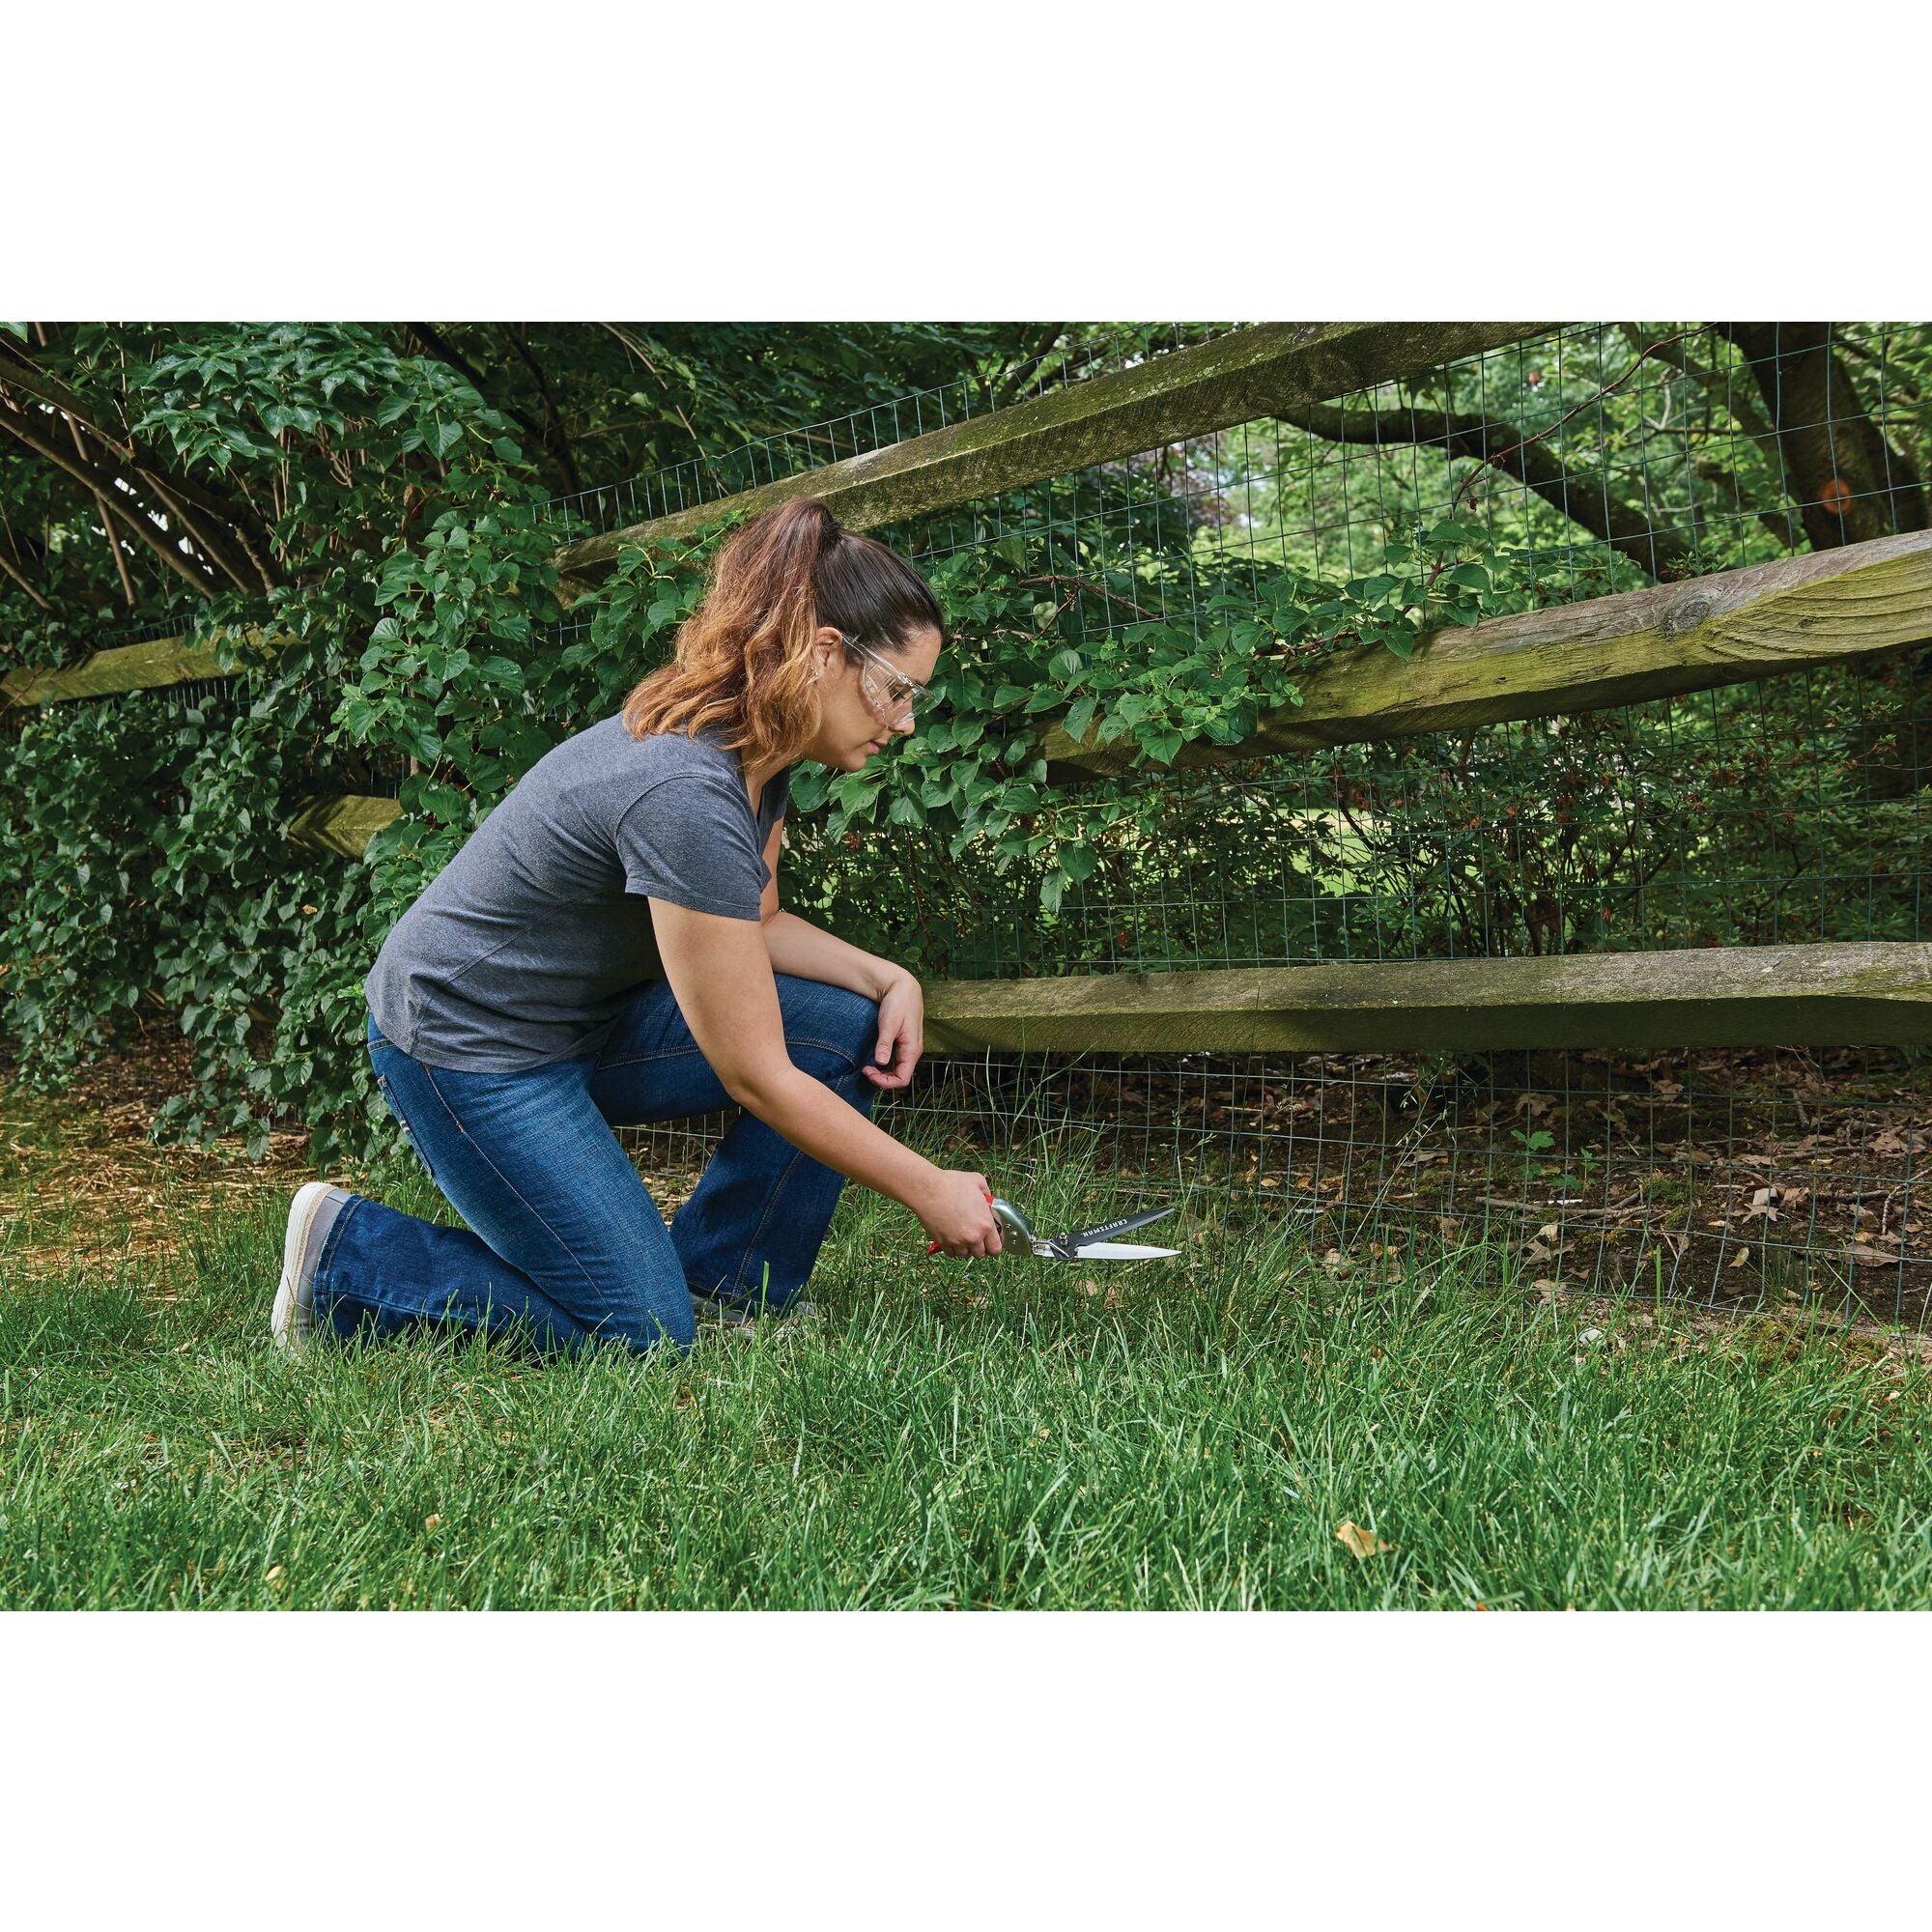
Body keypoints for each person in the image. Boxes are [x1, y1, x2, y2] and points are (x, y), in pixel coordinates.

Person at [270, 497, 1004, 1357]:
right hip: (466, 1045)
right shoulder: (685, 790)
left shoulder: (761, 757)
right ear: (824, 653)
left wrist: (887, 978)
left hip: (584, 1020)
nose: (906, 721)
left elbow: (754, 922)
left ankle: (727, 1283)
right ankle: (346, 1260)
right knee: (642, 1334)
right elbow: (757, 1077)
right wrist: (927, 1187)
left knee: (846, 1029)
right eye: (897, 690)